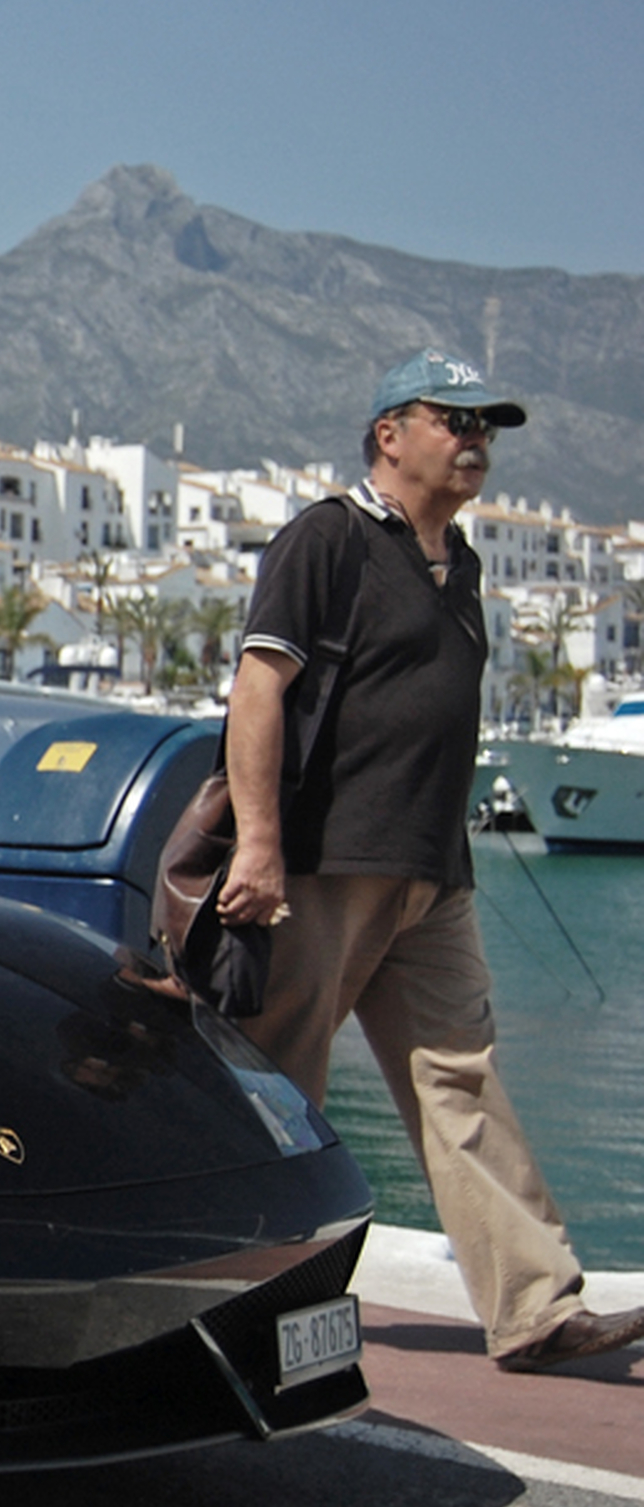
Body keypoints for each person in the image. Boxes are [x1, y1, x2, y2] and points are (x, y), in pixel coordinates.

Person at [218, 346, 644, 1374]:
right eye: (452, 421)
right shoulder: (324, 539)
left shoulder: (461, 564)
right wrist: (261, 845)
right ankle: (227, 1304)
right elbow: (257, 688)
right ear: (387, 434)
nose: (473, 442)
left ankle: (535, 1309)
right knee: (280, 1089)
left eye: (483, 427)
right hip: (325, 864)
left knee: (461, 1081)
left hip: (430, 874)